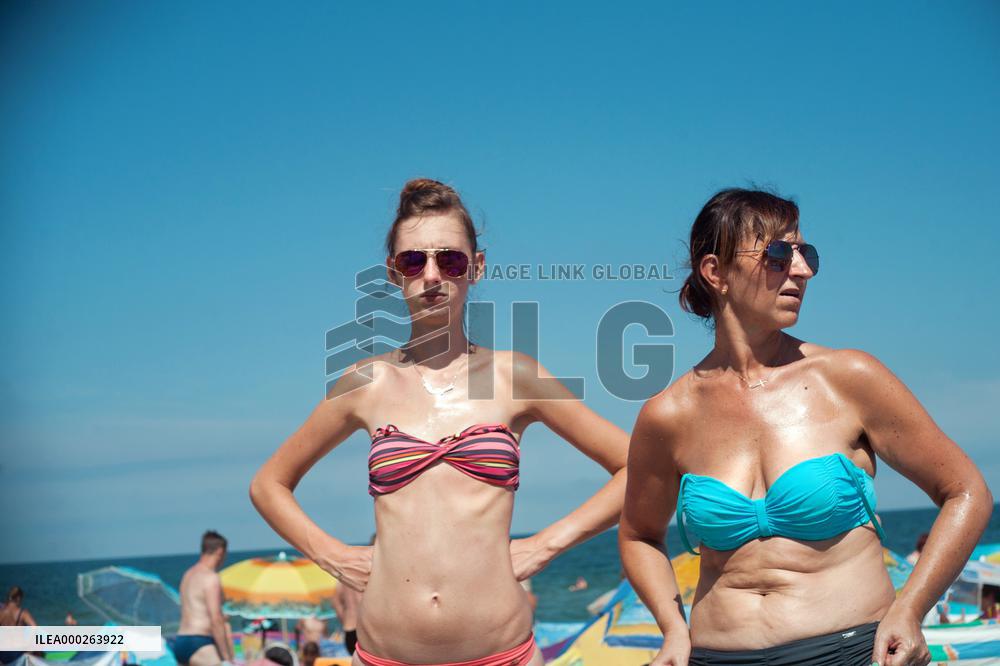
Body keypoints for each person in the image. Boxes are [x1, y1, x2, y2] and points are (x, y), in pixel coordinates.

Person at [250, 178, 630, 666]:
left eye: (449, 260)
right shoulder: (364, 381)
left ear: (476, 267)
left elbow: (637, 466)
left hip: (504, 656)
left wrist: (545, 545)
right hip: (385, 656)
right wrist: (333, 556)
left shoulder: (514, 375)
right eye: (414, 260)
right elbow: (269, 484)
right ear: (393, 272)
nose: (432, 275)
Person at [619, 188, 994, 666]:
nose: (802, 270)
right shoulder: (668, 414)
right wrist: (672, 631)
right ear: (715, 273)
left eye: (805, 253)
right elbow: (639, 536)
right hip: (716, 657)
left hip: (853, 651)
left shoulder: (848, 378)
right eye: (778, 254)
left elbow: (965, 491)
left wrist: (911, 608)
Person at [174, 531, 235, 666]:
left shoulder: (188, 575)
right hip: (200, 642)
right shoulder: (210, 578)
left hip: (181, 641)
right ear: (220, 552)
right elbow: (215, 619)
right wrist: (226, 658)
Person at [0, 586, 37, 665]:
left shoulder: (1, 613)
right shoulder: (23, 613)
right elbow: (35, 627)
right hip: (16, 654)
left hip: (3, 654)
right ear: (18, 598)